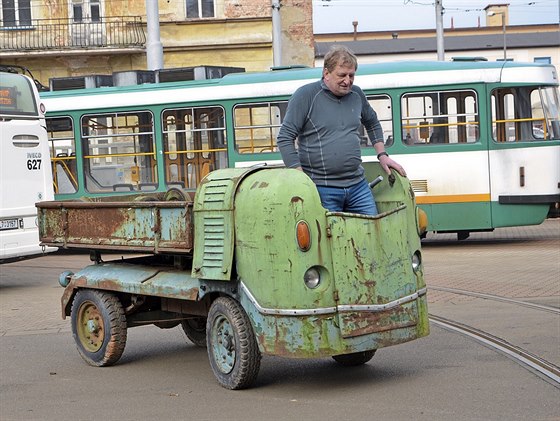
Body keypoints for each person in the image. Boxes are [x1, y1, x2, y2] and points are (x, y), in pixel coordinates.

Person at [276, 45, 406, 215]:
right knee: (330, 239)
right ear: (326, 73)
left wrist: (382, 155)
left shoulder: (356, 95)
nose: (348, 81)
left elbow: (372, 122)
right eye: (342, 75)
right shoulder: (305, 95)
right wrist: (299, 177)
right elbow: (285, 138)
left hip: (358, 186)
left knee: (370, 233)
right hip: (322, 189)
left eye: (351, 75)